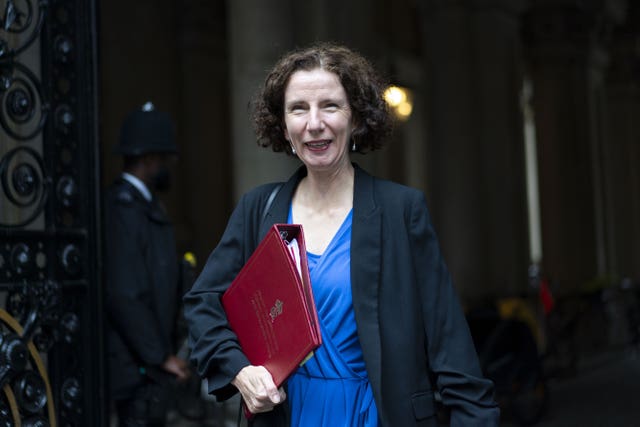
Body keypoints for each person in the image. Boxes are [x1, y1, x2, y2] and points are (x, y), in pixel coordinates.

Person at [183, 43, 499, 426]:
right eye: (299, 108)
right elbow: (203, 305)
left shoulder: (401, 211)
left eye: (330, 106)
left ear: (357, 118)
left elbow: (450, 345)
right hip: (290, 414)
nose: (314, 123)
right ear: (284, 126)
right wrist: (240, 371)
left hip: (376, 415)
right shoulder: (258, 211)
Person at [105, 102, 190, 427]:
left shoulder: (144, 206)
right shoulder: (123, 209)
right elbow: (125, 292)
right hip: (135, 367)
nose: (168, 168)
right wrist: (158, 356)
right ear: (149, 159)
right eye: (165, 160)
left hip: (147, 365)